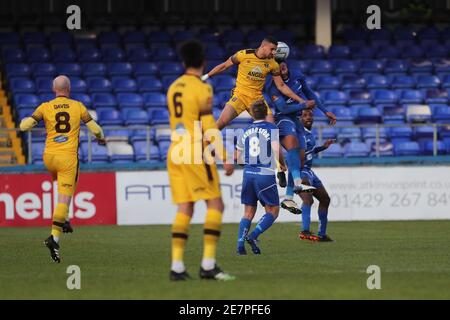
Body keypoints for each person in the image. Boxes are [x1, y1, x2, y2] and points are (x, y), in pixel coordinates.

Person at [167, 40, 235, 281]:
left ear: (184, 62)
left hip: (175, 151)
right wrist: (225, 156)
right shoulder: (202, 88)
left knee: (185, 207)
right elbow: (208, 126)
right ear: (203, 62)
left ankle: (176, 267)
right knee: (216, 205)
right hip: (196, 151)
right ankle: (207, 265)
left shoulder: (173, 87)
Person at [19, 75, 106, 263]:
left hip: (49, 158)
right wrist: (101, 138)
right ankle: (54, 237)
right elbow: (96, 129)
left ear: (53, 89)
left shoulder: (45, 106)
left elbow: (24, 126)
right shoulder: (78, 106)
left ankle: (63, 219)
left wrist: (28, 121)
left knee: (60, 188)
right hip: (67, 158)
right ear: (69, 89)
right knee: (65, 197)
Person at [266, 59, 336, 214]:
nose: (281, 65)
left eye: (282, 62)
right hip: (283, 118)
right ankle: (296, 182)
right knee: (292, 145)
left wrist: (325, 111)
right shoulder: (272, 87)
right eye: (277, 64)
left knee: (300, 158)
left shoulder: (297, 76)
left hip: (296, 120)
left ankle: (289, 197)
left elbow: (310, 93)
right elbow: (283, 108)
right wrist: (304, 105)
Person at [201, 36, 314, 131]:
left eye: (276, 50)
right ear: (263, 46)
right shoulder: (243, 55)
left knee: (272, 132)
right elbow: (224, 65)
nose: (274, 52)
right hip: (239, 96)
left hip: (257, 100)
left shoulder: (273, 64)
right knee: (220, 124)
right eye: (272, 49)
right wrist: (206, 76)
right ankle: (201, 149)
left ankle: (277, 158)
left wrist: (301, 100)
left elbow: (281, 86)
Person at [235, 100, 285, 255]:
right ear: (266, 113)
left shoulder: (246, 130)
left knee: (248, 212)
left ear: (252, 113)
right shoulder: (271, 128)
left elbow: (238, 158)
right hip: (264, 174)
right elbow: (276, 150)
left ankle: (240, 246)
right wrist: (282, 166)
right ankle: (254, 235)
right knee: (273, 210)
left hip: (248, 174)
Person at [297, 109, 335, 242]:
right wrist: (298, 175)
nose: (308, 117)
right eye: (305, 115)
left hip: (309, 171)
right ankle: (305, 231)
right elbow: (293, 154)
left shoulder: (308, 134)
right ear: (300, 119)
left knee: (325, 199)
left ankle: (322, 234)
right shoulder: (299, 134)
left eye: (310, 115)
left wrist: (323, 147)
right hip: (301, 172)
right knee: (308, 200)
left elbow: (309, 152)